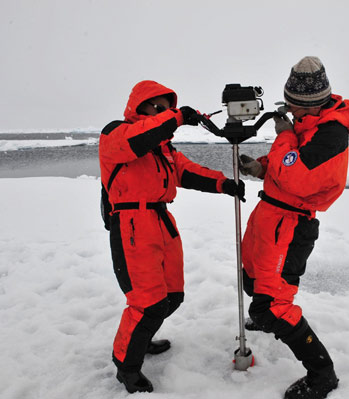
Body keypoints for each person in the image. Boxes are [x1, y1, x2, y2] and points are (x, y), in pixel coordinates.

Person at [99, 80, 245, 394]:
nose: (166, 113)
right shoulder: (116, 133)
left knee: (170, 296)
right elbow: (137, 140)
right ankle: (126, 365)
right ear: (140, 107)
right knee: (147, 303)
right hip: (132, 226)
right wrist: (177, 117)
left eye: (169, 108)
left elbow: (186, 171)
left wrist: (225, 184)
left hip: (161, 222)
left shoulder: (162, 148)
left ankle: (142, 337)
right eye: (159, 107)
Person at [239, 56, 349, 399]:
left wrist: (282, 137)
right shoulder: (310, 123)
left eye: (292, 107)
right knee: (250, 278)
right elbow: (287, 163)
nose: (289, 114)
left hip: (291, 226)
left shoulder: (332, 133)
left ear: (308, 103)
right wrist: (261, 167)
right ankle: (265, 318)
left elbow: (295, 175)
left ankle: (322, 372)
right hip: (271, 217)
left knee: (273, 304)